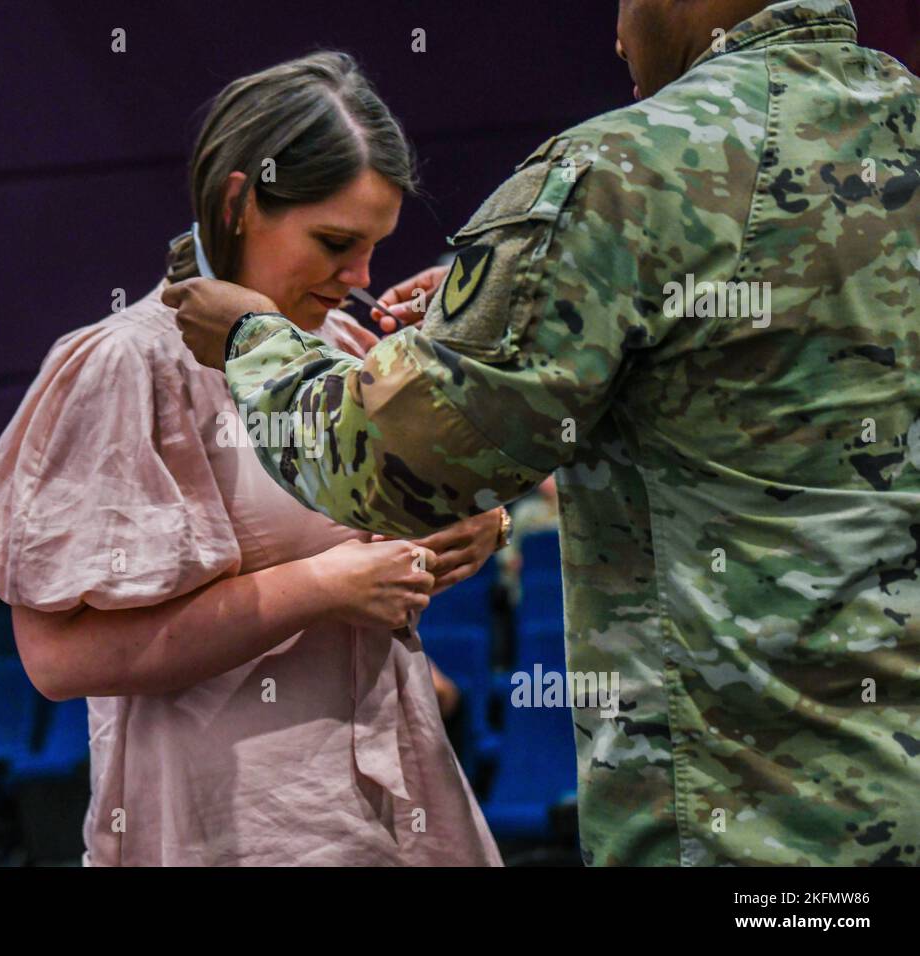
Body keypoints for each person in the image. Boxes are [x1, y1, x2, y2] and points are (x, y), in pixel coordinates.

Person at [164, 0, 920, 865]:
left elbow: (390, 462)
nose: (617, 31)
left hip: (751, 823)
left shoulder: (627, 170)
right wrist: (543, 301)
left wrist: (251, 342)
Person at [0, 51, 506, 866]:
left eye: (375, 247)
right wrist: (320, 586)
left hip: (386, 808)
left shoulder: (342, 349)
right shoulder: (128, 364)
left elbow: (406, 532)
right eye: (335, 242)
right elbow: (57, 659)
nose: (359, 279)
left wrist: (471, 529)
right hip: (225, 827)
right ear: (240, 203)